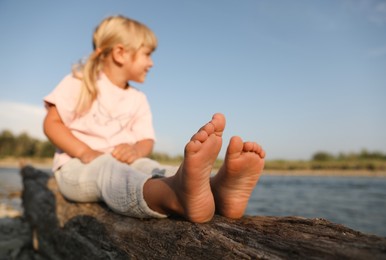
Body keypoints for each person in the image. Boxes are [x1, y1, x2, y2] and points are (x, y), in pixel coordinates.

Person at [43, 15, 265, 223]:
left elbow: (146, 140)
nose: (151, 63)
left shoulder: (138, 99)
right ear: (120, 53)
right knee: (108, 171)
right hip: (77, 167)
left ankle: (216, 190)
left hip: (127, 162)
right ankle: (171, 197)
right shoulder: (79, 82)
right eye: (147, 54)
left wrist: (136, 151)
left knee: (152, 166)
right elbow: (52, 124)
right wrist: (84, 151)